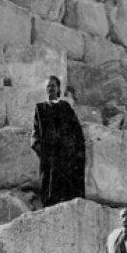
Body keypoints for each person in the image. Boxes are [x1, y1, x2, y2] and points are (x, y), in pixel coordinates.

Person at [30, 75, 86, 206]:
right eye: (48, 86)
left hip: (67, 157)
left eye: (53, 86)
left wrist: (74, 151)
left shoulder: (66, 107)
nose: (50, 88)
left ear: (58, 88)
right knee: (50, 190)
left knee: (68, 190)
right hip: (50, 158)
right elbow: (35, 134)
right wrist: (43, 152)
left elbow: (77, 132)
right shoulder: (40, 109)